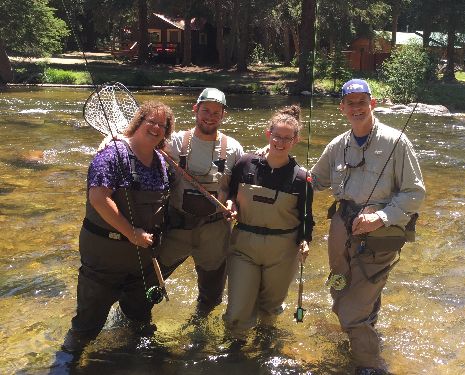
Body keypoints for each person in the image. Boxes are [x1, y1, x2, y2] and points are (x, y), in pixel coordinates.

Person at [310, 79, 425, 375]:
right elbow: (314, 181)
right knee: (339, 285)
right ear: (342, 108)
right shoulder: (337, 145)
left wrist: (382, 217)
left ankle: (371, 365)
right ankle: (365, 330)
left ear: (372, 104)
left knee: (350, 310)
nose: (357, 108)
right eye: (351, 103)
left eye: (362, 102)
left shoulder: (396, 142)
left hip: (379, 233)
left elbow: (415, 193)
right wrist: (274, 155)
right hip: (340, 228)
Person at [63, 101, 175, 352]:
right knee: (87, 324)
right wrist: (131, 233)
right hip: (105, 256)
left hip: (142, 260)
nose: (156, 127)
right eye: (151, 121)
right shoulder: (112, 154)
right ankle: (67, 362)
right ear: (138, 123)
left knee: (140, 320)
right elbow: (99, 199)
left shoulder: (161, 162)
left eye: (162, 125)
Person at [222, 105, 314, 342]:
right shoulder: (245, 164)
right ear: (268, 135)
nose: (280, 143)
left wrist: (305, 240)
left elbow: (307, 218)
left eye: (286, 138)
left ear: (295, 140)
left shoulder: (302, 178)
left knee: (269, 309)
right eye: (277, 137)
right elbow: (231, 195)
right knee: (237, 311)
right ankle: (235, 352)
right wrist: (231, 204)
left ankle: (265, 347)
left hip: (283, 251)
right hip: (244, 246)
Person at [158, 88, 244, 315]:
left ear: (223, 115)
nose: (210, 116)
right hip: (176, 228)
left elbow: (238, 189)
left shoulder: (234, 148)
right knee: (149, 281)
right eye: (206, 110)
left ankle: (199, 329)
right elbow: (144, 156)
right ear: (195, 109)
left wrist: (233, 202)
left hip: (214, 232)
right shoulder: (174, 143)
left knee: (212, 296)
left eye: (217, 112)